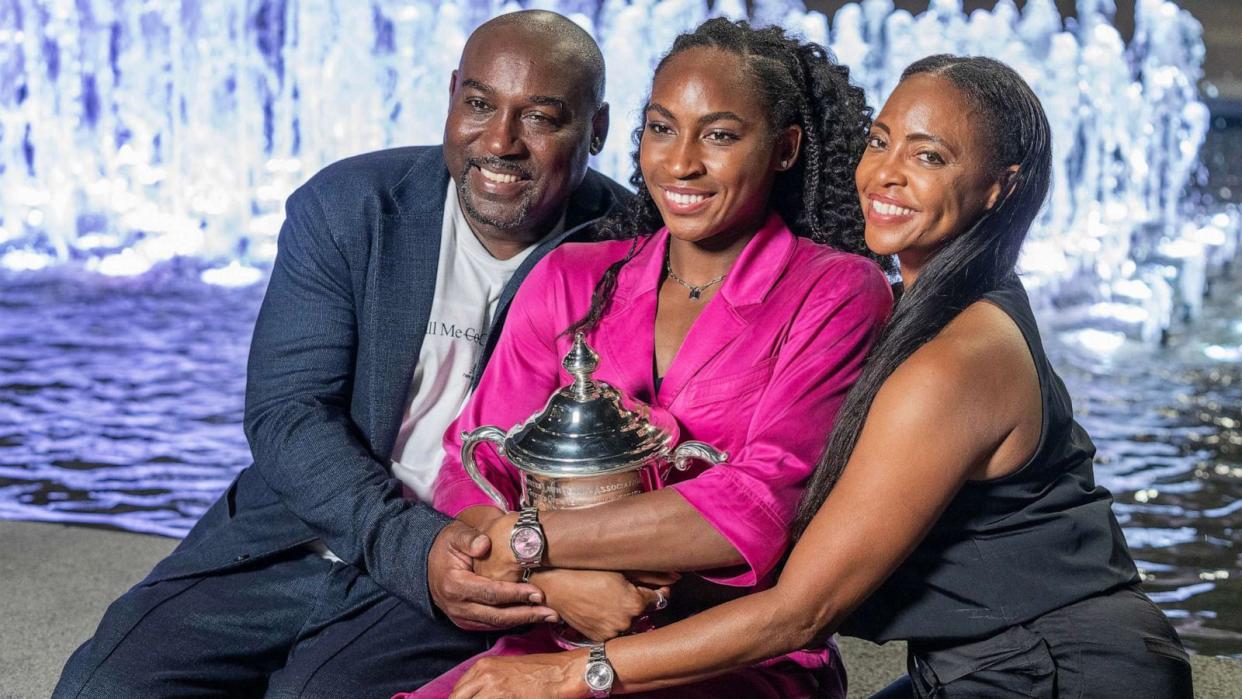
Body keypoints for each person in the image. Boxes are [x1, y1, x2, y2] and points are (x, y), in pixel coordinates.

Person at [447, 56, 1195, 699]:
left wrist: (570, 673)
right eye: (881, 141)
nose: (887, 174)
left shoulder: (957, 361)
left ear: (999, 188)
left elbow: (801, 611)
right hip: (982, 665)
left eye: (930, 156)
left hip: (1066, 670)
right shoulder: (931, 303)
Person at [53, 10, 632, 698]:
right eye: (478, 105)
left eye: (540, 117)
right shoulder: (350, 206)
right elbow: (287, 411)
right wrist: (407, 543)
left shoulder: (632, 249)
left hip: (478, 560)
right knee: (104, 685)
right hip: (299, 533)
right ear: (451, 96)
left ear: (595, 129)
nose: (500, 141)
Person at [402, 18, 893, 699]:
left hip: (729, 653)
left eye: (719, 135)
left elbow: (758, 508)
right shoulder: (570, 277)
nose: (681, 162)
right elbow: (471, 471)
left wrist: (531, 541)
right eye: (662, 128)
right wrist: (553, 582)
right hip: (552, 629)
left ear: (784, 149)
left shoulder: (837, 291)